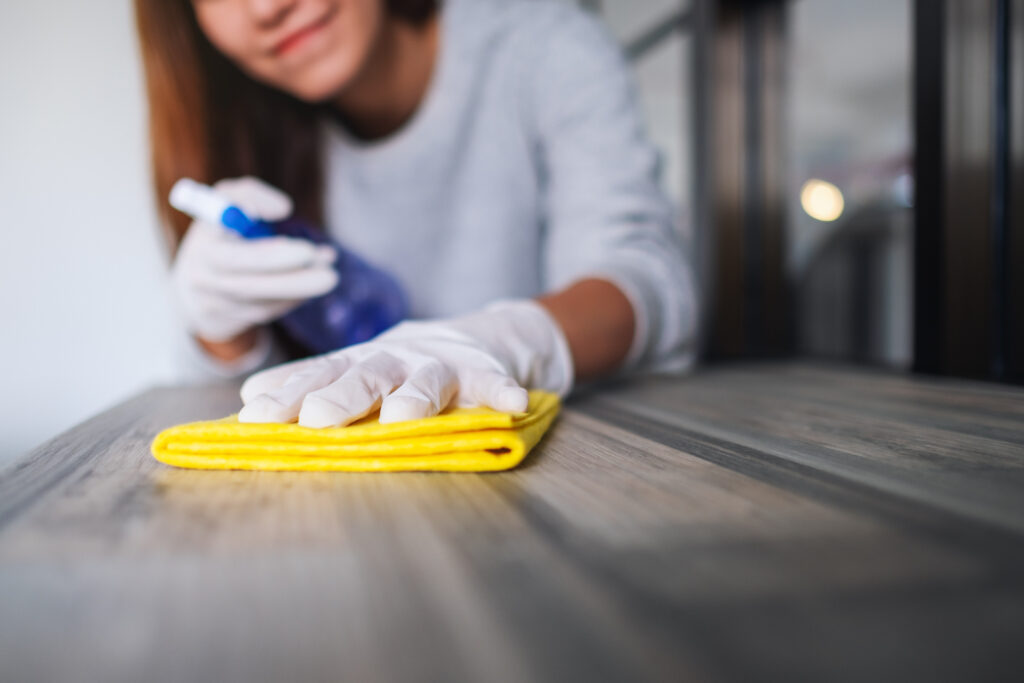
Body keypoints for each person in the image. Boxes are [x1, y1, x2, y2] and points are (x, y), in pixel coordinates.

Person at [135, 0, 698, 428]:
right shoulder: (241, 132)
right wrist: (220, 332)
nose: (267, 8)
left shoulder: (541, 44)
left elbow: (648, 280)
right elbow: (231, 417)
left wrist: (510, 341)